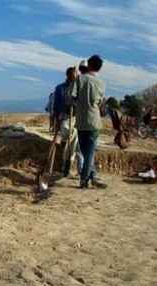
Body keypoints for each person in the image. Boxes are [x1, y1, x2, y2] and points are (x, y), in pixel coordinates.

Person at [69, 54, 107, 189]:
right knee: (88, 152)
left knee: (86, 152)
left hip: (81, 121)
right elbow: (101, 103)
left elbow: (71, 95)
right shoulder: (102, 84)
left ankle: (84, 180)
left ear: (89, 65)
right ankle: (94, 176)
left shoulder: (80, 79)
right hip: (94, 121)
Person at [54, 66, 83, 178]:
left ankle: (66, 167)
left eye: (76, 75)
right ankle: (63, 142)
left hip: (75, 118)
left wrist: (74, 106)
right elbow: (56, 104)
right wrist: (56, 118)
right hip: (65, 117)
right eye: (73, 75)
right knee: (66, 133)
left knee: (73, 143)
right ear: (69, 75)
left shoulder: (79, 88)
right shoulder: (60, 88)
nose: (75, 77)